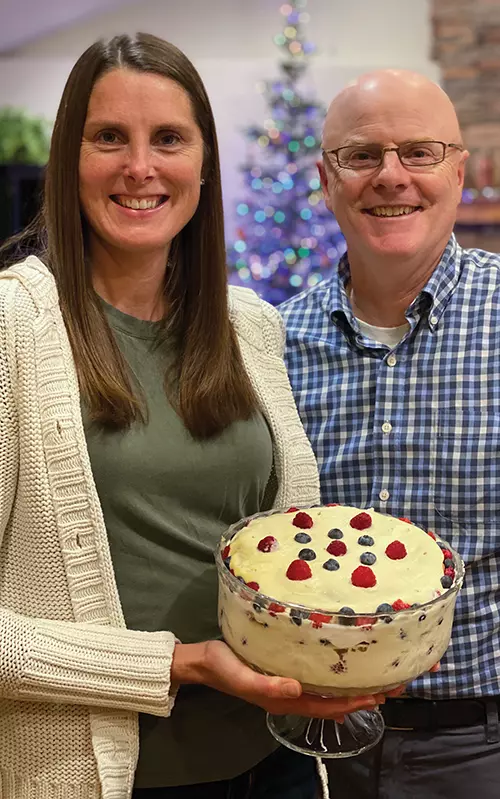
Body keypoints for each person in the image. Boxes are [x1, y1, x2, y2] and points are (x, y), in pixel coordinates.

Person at [0, 32, 388, 799]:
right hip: (103, 774)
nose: (140, 167)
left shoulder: (250, 324)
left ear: (204, 165)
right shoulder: (14, 328)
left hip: (273, 761)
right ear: (67, 161)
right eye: (109, 137)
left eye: (168, 139)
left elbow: (284, 537)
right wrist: (179, 662)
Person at [280, 67, 500, 799]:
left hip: (479, 747)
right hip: (305, 749)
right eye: (362, 155)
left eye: (420, 152)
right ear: (326, 177)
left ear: (460, 171)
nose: (391, 176)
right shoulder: (270, 342)